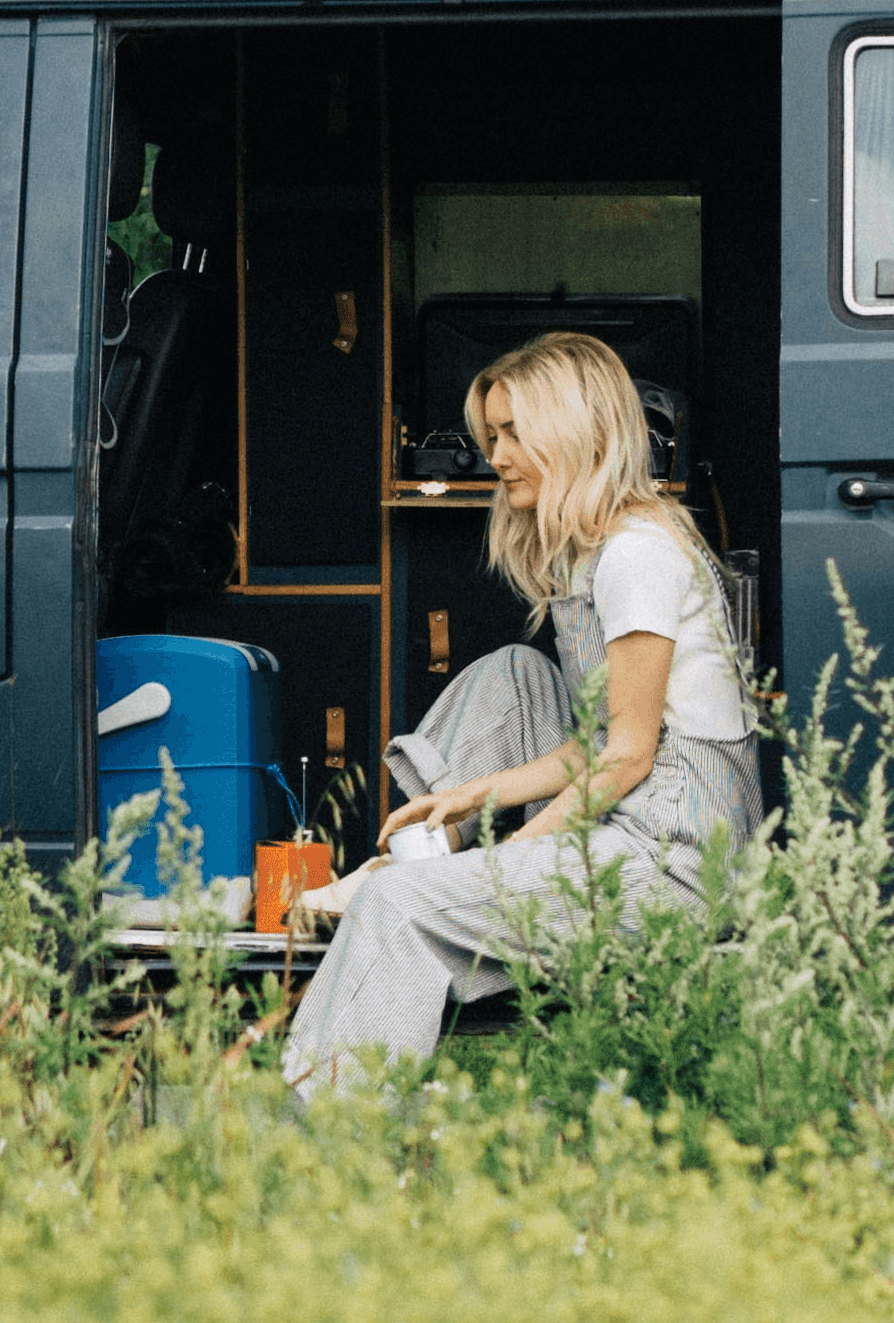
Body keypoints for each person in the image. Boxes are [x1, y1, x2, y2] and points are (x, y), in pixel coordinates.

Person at [282, 330, 760, 1096]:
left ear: (573, 435)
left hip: (674, 866)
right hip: (635, 818)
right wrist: (478, 795)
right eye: (491, 435)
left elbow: (628, 756)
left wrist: (503, 863)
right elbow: (598, 744)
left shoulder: (638, 555)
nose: (495, 456)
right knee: (513, 672)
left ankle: (337, 1146)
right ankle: (423, 855)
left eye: (513, 435)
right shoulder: (597, 550)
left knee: (400, 909)